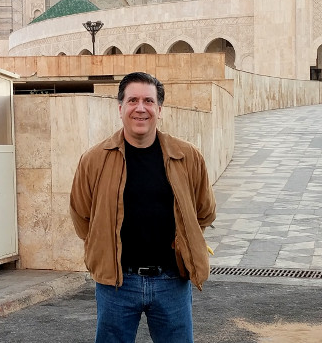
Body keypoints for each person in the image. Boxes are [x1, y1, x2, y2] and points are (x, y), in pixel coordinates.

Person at [70, 71, 216, 343]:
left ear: (159, 109)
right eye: (133, 100)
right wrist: (103, 246)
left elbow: (204, 211)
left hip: (172, 280)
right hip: (117, 284)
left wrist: (183, 241)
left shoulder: (187, 157)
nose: (140, 108)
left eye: (148, 101)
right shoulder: (94, 160)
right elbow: (81, 215)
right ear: (120, 108)